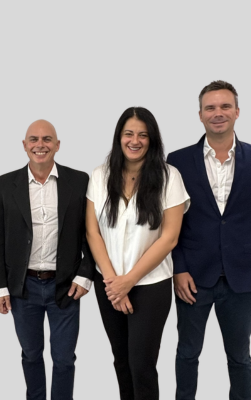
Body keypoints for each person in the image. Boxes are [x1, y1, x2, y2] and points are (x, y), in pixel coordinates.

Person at [86, 107, 190, 400]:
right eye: (129, 134)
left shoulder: (169, 177)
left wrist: (128, 281)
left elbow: (169, 238)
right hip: (109, 285)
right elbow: (93, 232)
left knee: (141, 365)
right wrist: (113, 283)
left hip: (150, 286)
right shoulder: (100, 175)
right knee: (121, 362)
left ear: (152, 139)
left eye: (143, 135)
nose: (135, 141)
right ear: (119, 137)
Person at [0, 119, 95, 400]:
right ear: (24, 146)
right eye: (34, 140)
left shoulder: (79, 181)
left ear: (57, 145)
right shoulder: (4, 184)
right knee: (31, 354)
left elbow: (92, 233)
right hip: (23, 287)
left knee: (64, 359)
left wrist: (85, 275)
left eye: (47, 139)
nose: (40, 145)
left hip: (66, 286)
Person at [167, 80, 251, 400]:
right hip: (192, 276)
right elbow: (170, 222)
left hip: (241, 277)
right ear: (200, 114)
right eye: (210, 107)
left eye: (225, 106)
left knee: (240, 358)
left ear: (237, 112)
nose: (218, 113)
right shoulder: (177, 161)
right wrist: (178, 268)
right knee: (187, 353)